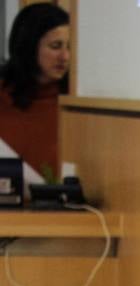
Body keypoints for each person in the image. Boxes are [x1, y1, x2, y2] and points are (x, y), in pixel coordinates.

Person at [0, 2, 69, 180]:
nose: (65, 57)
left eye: (69, 47)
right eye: (55, 46)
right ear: (29, 46)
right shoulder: (3, 97)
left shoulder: (74, 104)